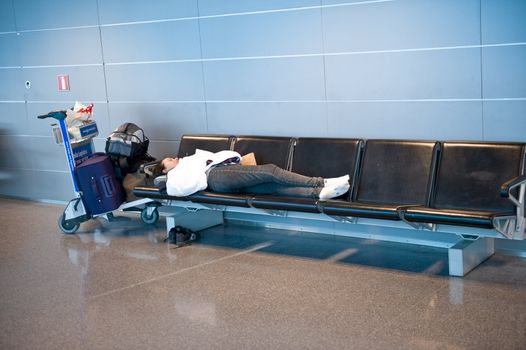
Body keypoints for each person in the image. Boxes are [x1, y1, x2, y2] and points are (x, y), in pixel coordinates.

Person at [156, 149, 350, 199]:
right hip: (216, 176)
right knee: (270, 171)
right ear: (165, 169)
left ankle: (318, 194)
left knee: (273, 188)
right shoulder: (176, 174)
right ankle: (321, 182)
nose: (174, 158)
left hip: (220, 181)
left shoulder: (186, 163)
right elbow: (178, 185)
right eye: (169, 160)